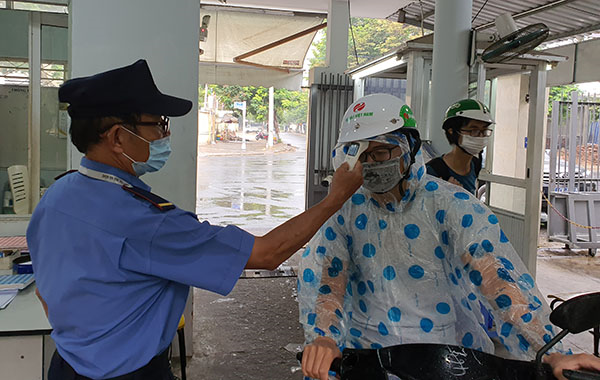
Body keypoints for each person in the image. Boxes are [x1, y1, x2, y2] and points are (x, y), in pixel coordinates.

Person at [26, 59, 363, 380]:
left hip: (67, 365)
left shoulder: (58, 195)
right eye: (157, 124)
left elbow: (45, 288)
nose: (164, 135)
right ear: (116, 137)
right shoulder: (146, 221)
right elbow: (267, 253)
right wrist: (336, 197)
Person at [298, 94, 600, 380]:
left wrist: (551, 351)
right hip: (367, 358)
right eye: (359, 155)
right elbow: (329, 280)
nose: (370, 164)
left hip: (445, 358)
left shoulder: (450, 205)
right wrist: (324, 338)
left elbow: (498, 281)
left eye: (380, 152)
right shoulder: (343, 209)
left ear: (409, 148)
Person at [426, 98, 494, 195]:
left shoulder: (475, 164)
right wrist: (446, 196)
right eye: (474, 130)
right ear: (452, 131)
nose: (481, 136)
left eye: (484, 131)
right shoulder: (433, 170)